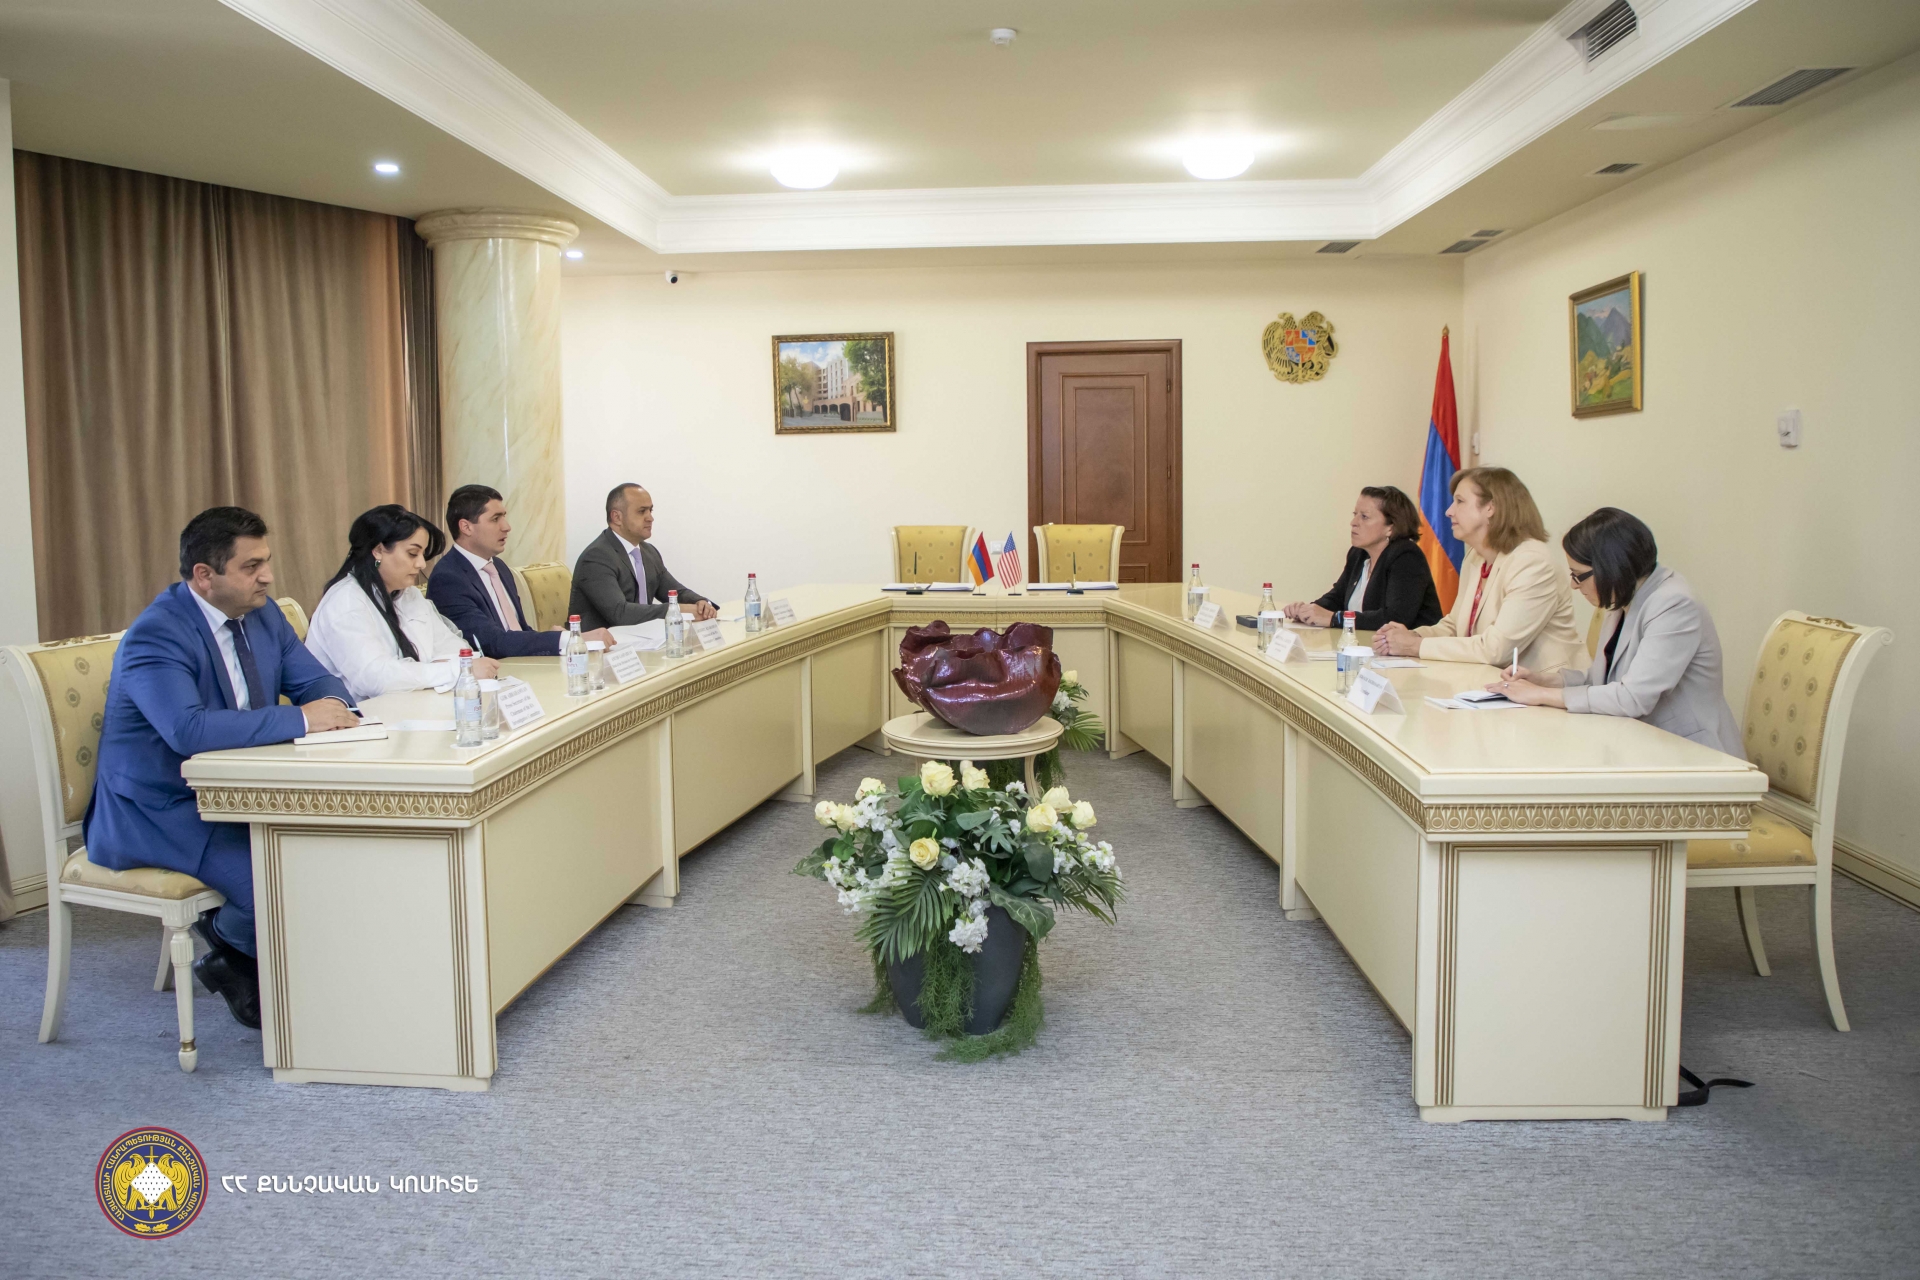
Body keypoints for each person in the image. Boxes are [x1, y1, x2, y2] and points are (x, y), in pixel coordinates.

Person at [84, 507, 357, 1029]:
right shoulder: (156, 635)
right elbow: (187, 730)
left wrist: (333, 707)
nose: (268, 577)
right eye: (252, 566)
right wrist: (303, 718)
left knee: (335, 850)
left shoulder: (264, 614)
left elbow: (319, 683)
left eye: (267, 561)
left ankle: (254, 957)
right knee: (281, 878)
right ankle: (232, 943)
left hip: (240, 792)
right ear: (204, 576)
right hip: (161, 807)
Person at [1486, 508, 1742, 753]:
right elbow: (1605, 680)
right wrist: (1544, 680)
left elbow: (1633, 697)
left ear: (1610, 568)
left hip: (1691, 754)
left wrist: (1542, 695)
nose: (1574, 586)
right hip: (1641, 742)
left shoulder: (1674, 604)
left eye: (1578, 575)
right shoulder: (1624, 595)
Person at [1372, 465, 1585, 675]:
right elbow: (1455, 627)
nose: (1448, 511)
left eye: (1460, 501)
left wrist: (1414, 646)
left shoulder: (1532, 563)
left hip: (1546, 688)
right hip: (1493, 683)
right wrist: (1411, 636)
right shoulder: (1475, 557)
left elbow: (1496, 650)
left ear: (1490, 508)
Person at [306, 505, 499, 700]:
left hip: (411, 705)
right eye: (412, 554)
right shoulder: (346, 602)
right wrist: (454, 670)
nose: (421, 564)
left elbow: (449, 645)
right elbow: (376, 679)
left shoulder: (407, 593)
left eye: (423, 554)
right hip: (362, 714)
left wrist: (461, 665)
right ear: (378, 550)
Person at [427, 484, 613, 656]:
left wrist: (555, 638)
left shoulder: (499, 567)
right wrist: (568, 639)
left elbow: (519, 630)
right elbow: (492, 642)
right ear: (466, 527)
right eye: (495, 519)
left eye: (504, 517)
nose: (507, 527)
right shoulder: (448, 578)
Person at [1284, 485, 1443, 630]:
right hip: (1368, 646)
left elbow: (1395, 618)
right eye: (1355, 514)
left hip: (1410, 650)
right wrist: (1307, 611)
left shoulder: (1406, 556)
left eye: (1364, 517)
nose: (1353, 522)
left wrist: (1335, 618)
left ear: (1391, 527)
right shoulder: (1358, 554)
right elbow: (1337, 598)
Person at [571, 482, 717, 629]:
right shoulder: (596, 557)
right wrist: (676, 609)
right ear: (617, 517)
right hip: (604, 642)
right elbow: (620, 614)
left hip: (644, 638)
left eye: (650, 510)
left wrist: (700, 603)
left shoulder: (649, 552)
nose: (650, 518)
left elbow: (674, 592)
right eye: (642, 511)